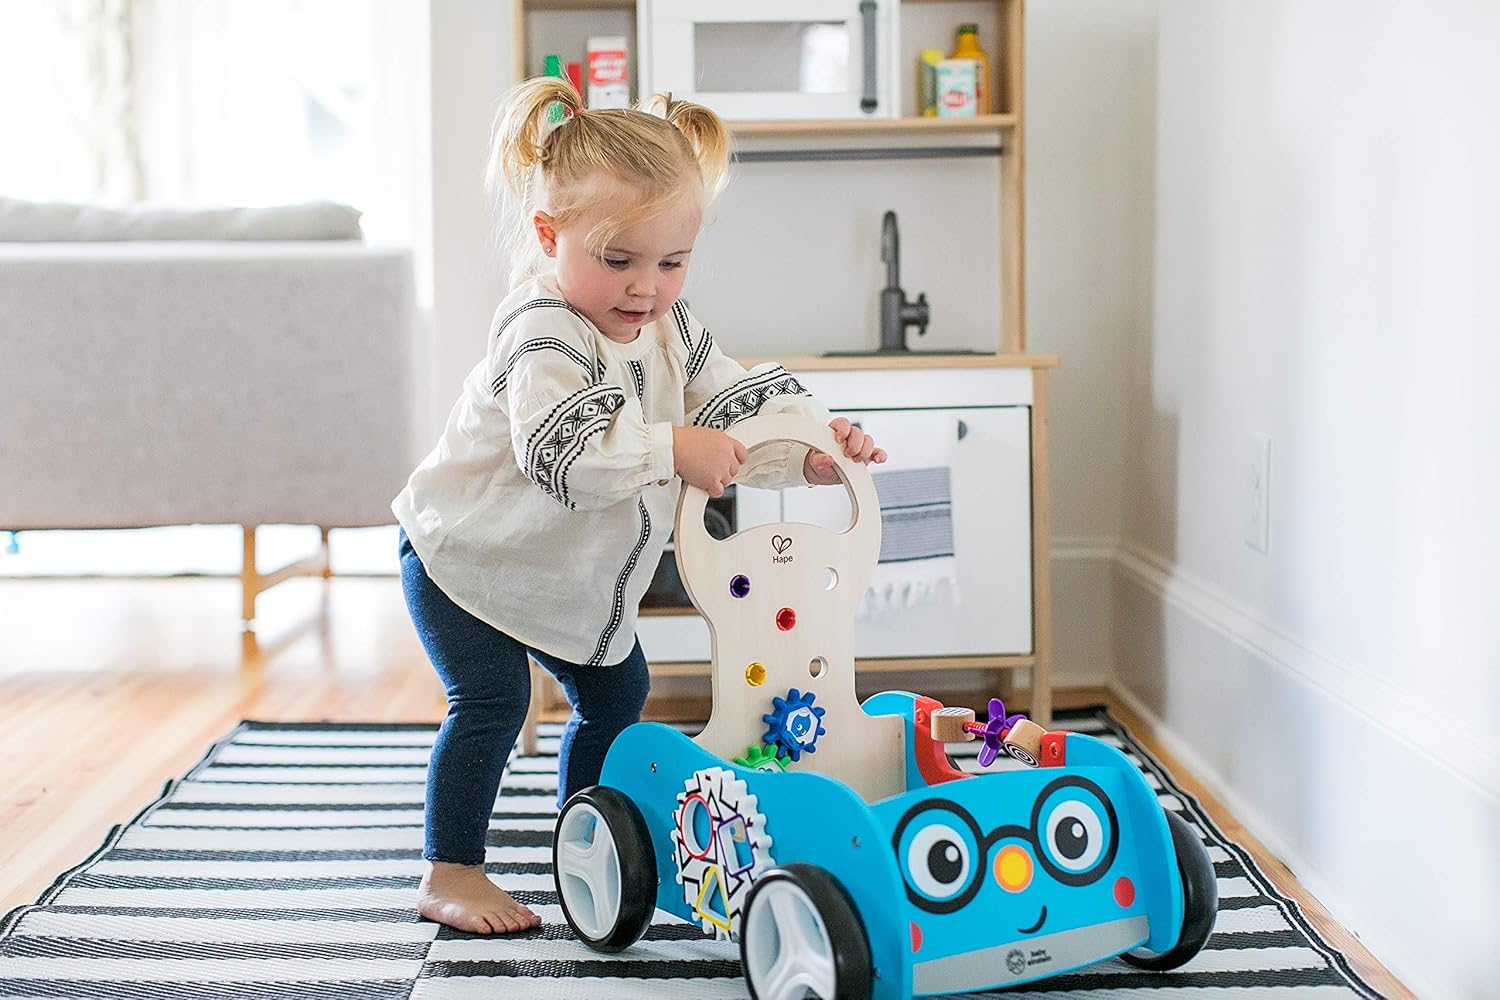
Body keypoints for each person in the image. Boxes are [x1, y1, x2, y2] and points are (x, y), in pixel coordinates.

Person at [392, 75, 887, 935]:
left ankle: (586, 835)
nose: (644, 287)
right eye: (617, 260)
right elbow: (563, 455)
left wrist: (808, 451)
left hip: (565, 579)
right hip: (463, 560)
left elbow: (733, 404)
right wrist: (669, 446)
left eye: (672, 262)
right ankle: (451, 870)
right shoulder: (542, 332)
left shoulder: (669, 325)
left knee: (620, 697)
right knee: (494, 703)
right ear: (551, 236)